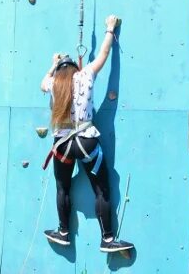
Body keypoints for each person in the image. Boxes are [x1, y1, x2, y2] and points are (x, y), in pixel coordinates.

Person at [39, 15, 134, 253]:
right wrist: (110, 29)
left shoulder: (54, 85)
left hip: (61, 144)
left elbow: (43, 82)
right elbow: (103, 54)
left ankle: (63, 232)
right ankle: (108, 239)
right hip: (86, 142)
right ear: (75, 68)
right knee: (101, 190)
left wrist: (53, 63)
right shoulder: (85, 76)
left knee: (63, 188)